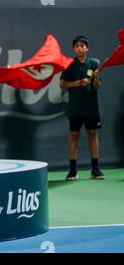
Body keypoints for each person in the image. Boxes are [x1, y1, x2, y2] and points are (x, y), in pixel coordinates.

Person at [60, 35, 105, 181]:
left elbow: (96, 87)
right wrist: (79, 83)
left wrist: (96, 77)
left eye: (82, 46)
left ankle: (95, 169)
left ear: (87, 48)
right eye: (77, 46)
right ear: (74, 49)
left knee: (93, 134)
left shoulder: (94, 63)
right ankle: (73, 171)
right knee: (74, 136)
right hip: (75, 108)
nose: (79, 48)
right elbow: (62, 84)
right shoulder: (69, 64)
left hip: (91, 107)